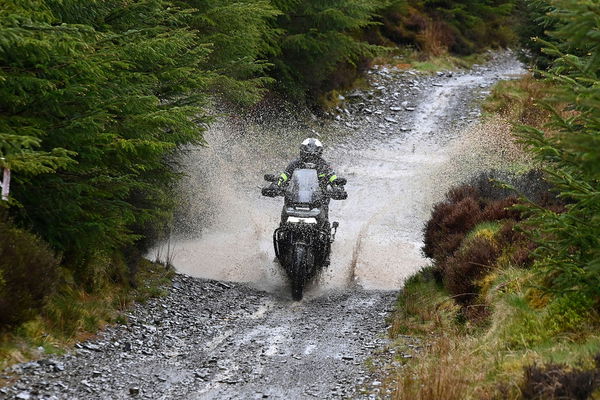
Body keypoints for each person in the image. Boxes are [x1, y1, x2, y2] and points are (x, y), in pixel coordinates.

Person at [275, 138, 340, 227]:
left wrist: (337, 188)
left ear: (319, 154)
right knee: (283, 224)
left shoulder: (324, 165)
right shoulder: (294, 164)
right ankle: (283, 230)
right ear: (302, 152)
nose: (310, 158)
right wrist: (276, 185)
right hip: (294, 198)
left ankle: (325, 229)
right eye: (308, 155)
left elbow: (333, 178)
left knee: (325, 220)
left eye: (313, 155)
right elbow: (284, 176)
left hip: (319, 199)